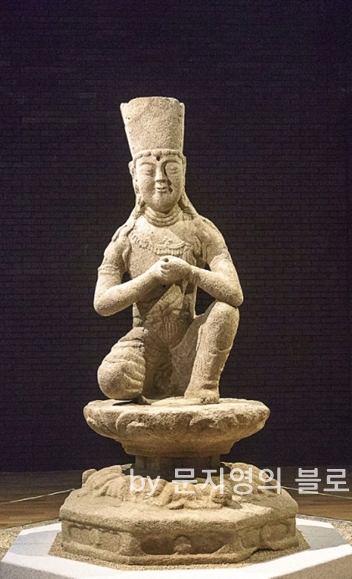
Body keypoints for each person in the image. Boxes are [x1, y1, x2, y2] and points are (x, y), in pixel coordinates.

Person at [94, 97, 242, 405]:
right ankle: (149, 386)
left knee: (226, 311)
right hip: (144, 348)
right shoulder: (126, 237)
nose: (161, 179)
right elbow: (102, 303)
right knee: (111, 379)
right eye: (149, 170)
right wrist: (151, 277)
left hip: (190, 348)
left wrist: (189, 271)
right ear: (134, 175)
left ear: (183, 170)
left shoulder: (201, 230)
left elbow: (234, 293)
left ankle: (201, 388)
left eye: (171, 168)